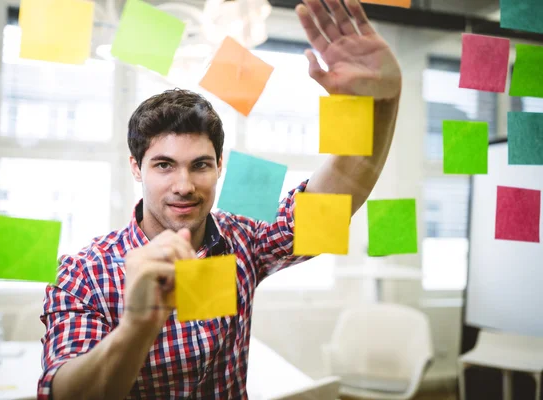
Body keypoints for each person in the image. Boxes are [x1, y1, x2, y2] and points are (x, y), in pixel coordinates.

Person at [38, 0, 402, 398]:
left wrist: (380, 106)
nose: (183, 185)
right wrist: (138, 324)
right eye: (163, 166)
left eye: (200, 165)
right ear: (135, 167)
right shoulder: (83, 274)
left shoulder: (243, 240)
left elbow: (337, 198)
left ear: (219, 166)